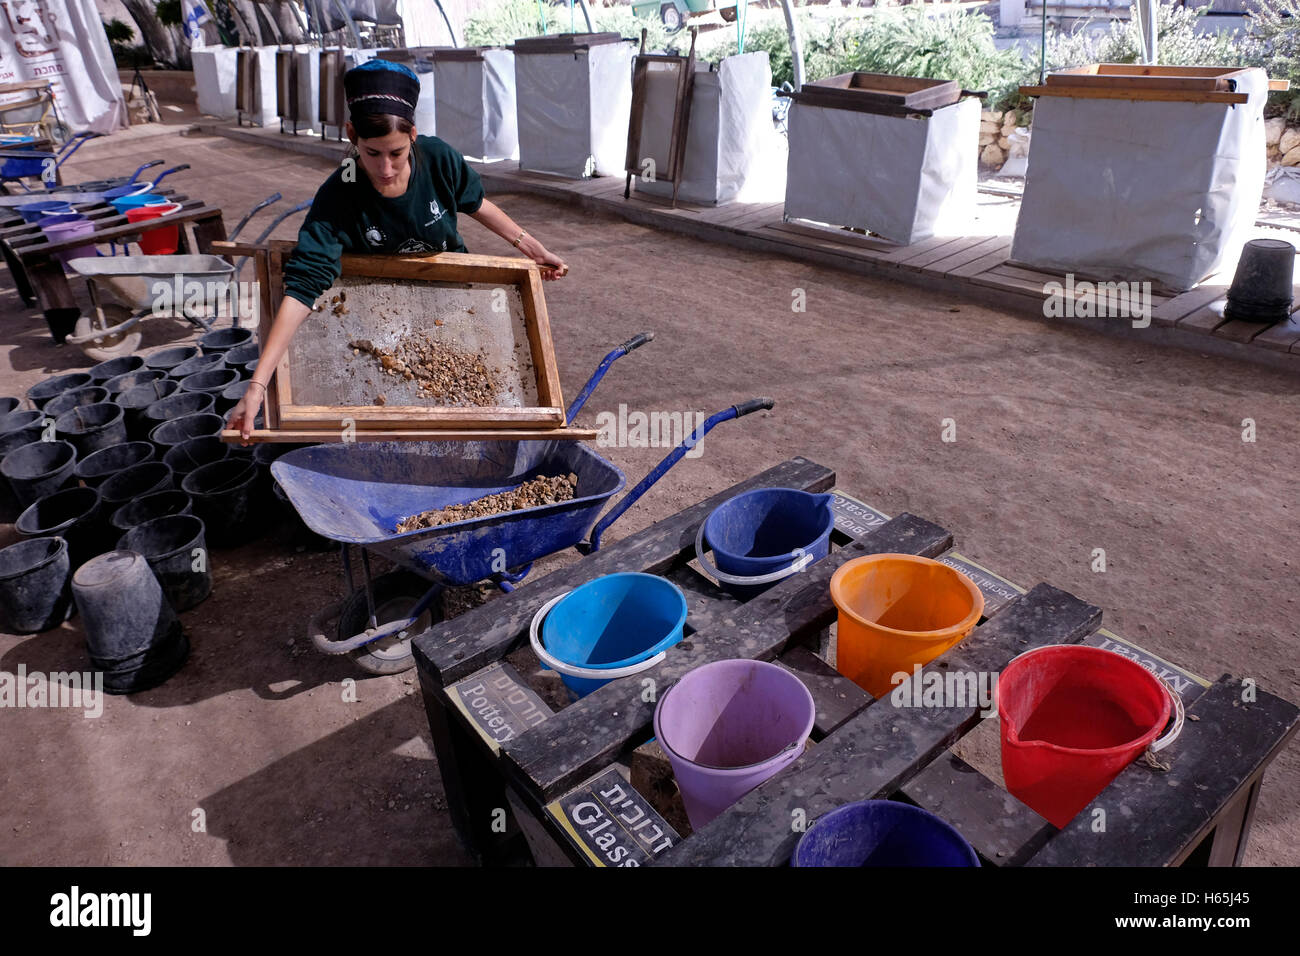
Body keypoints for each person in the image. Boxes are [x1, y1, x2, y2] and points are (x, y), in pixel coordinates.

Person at [227, 59, 568, 439]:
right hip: (378, 320)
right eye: (372, 153)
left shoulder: (438, 159)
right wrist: (257, 386)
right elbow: (303, 288)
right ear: (352, 134)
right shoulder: (340, 193)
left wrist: (532, 249)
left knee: (468, 399)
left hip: (453, 302)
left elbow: (476, 203)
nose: (385, 168)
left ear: (414, 136)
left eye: (397, 153)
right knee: (392, 405)